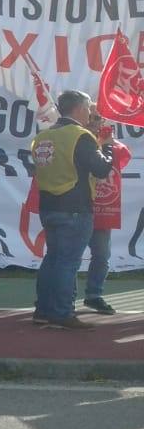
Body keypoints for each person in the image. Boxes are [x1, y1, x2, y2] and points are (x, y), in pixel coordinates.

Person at [31, 90, 116, 329]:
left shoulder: (43, 136)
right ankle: (62, 313)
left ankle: (43, 310)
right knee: (67, 263)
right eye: (89, 108)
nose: (91, 113)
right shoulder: (80, 135)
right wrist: (108, 147)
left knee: (52, 259)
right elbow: (101, 169)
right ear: (79, 109)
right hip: (75, 207)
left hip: (48, 206)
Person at [83, 115, 132, 315]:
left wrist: (107, 143)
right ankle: (64, 296)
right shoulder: (78, 141)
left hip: (103, 210)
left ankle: (94, 295)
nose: (96, 122)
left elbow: (125, 155)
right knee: (70, 256)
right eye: (92, 116)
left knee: (102, 256)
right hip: (78, 207)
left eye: (99, 119)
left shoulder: (113, 147)